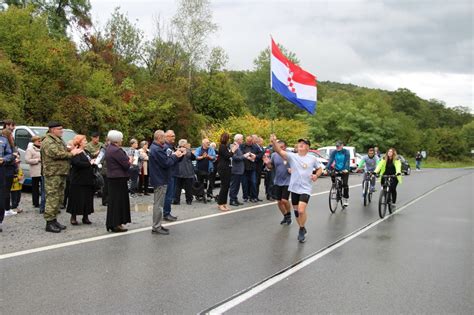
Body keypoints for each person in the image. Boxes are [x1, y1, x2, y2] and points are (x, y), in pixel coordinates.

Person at [270, 135, 323, 243]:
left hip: (305, 188)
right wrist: (274, 142)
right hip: (294, 188)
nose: (301, 145)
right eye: (299, 143)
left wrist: (316, 175)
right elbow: (280, 151)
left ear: (308, 148)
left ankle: (301, 228)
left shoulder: (312, 158)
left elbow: (320, 169)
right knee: (297, 212)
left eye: (303, 144)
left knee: (301, 210)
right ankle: (302, 228)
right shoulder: (292, 156)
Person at [41, 121, 82, 233]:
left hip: (60, 172)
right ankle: (49, 222)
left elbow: (62, 150)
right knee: (52, 198)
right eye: (59, 129)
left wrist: (69, 149)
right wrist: (72, 153)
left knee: (59, 198)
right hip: (53, 173)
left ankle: (54, 220)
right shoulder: (48, 141)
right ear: (52, 130)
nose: (61, 131)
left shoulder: (58, 140)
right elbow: (55, 154)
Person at [149, 130, 184, 235]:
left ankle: (158, 224)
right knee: (158, 205)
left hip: (160, 178)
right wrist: (176, 155)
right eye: (164, 137)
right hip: (160, 179)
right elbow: (166, 162)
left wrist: (175, 156)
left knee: (159, 204)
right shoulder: (157, 149)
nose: (165, 139)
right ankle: (156, 226)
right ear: (159, 138)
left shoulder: (156, 148)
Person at [105, 130, 131, 233]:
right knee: (118, 202)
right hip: (118, 178)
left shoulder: (109, 148)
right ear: (117, 139)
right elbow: (126, 164)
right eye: (121, 138)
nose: (122, 140)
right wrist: (129, 160)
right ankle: (116, 223)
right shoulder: (116, 150)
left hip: (113, 178)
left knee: (113, 201)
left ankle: (113, 222)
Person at [67, 135, 95, 225]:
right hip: (78, 179)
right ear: (79, 142)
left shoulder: (87, 152)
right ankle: (73, 217)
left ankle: (85, 216)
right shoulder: (75, 151)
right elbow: (76, 163)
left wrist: (94, 162)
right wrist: (89, 163)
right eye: (84, 140)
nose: (86, 141)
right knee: (76, 198)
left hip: (88, 179)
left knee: (87, 198)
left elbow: (90, 161)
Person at [263, 140, 292, 225]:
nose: (280, 149)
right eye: (278, 147)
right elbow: (271, 167)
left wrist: (293, 170)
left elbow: (296, 165)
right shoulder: (274, 155)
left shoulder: (289, 155)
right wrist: (267, 163)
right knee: (279, 202)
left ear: (285, 147)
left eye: (282, 147)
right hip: (277, 181)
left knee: (284, 200)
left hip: (288, 181)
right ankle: (285, 216)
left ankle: (289, 214)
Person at [216, 133, 238, 211]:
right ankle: (220, 204)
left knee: (226, 186)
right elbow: (227, 156)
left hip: (226, 167)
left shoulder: (224, 146)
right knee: (224, 186)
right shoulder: (222, 146)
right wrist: (233, 150)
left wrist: (231, 150)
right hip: (223, 168)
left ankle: (224, 203)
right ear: (226, 139)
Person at [326, 141, 350, 207]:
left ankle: (345, 198)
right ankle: (335, 186)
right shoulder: (334, 152)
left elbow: (347, 161)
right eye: (336, 146)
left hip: (345, 169)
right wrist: (326, 168)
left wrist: (346, 169)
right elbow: (331, 160)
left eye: (339, 146)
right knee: (332, 174)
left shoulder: (346, 152)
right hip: (337, 168)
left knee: (345, 184)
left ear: (342, 145)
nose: (337, 147)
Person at [163, 130, 180, 221]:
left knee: (170, 194)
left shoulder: (171, 147)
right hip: (169, 174)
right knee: (168, 195)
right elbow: (168, 161)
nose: (174, 137)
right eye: (172, 136)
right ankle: (166, 213)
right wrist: (176, 156)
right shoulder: (166, 147)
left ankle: (167, 212)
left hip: (173, 172)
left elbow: (174, 160)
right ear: (167, 137)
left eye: (174, 136)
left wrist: (180, 155)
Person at [2, 129, 19, 217]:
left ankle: (7, 208)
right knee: (5, 191)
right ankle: (6, 209)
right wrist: (13, 156)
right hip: (6, 170)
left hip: (10, 169)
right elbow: (6, 158)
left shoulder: (11, 145)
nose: (12, 136)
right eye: (11, 135)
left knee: (7, 191)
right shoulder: (5, 145)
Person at [173, 139, 195, 205]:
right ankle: (189, 200)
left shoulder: (176, 150)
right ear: (185, 144)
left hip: (178, 171)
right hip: (188, 171)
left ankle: (177, 200)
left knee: (178, 187)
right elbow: (194, 158)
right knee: (188, 187)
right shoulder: (188, 151)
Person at [0, 132, 14, 232]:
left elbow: (9, 154)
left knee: (1, 197)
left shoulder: (3, 140)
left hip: (1, 170)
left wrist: (4, 159)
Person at [25, 136, 43, 210]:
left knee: (43, 187)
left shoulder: (43, 148)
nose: (40, 142)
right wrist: (37, 160)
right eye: (38, 141)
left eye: (41, 141)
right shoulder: (30, 149)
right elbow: (27, 160)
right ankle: (35, 202)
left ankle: (43, 202)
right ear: (34, 141)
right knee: (35, 187)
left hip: (43, 171)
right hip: (35, 171)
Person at [229, 134, 245, 206]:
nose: (242, 140)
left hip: (239, 169)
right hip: (235, 169)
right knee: (234, 185)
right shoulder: (233, 146)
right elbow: (235, 158)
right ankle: (232, 200)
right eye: (242, 139)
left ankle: (235, 199)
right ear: (238, 140)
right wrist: (244, 156)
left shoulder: (238, 146)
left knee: (237, 185)